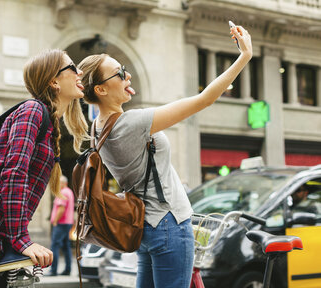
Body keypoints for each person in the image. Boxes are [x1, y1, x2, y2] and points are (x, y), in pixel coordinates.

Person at [78, 25, 252, 288]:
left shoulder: (97, 128)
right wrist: (244, 57)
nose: (128, 77)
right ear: (100, 90)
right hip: (169, 223)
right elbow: (204, 99)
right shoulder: (130, 123)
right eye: (120, 73)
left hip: (146, 227)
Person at [0, 49, 88, 288]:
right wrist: (21, 240)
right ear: (54, 81)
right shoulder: (32, 111)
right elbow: (15, 173)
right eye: (72, 67)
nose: (80, 72)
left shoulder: (47, 119)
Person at [47, 175, 75, 276]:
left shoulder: (62, 192)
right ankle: (68, 269)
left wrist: (55, 221)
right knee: (66, 247)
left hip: (61, 223)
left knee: (54, 245)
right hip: (67, 223)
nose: (57, 185)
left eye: (58, 183)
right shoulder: (69, 191)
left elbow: (61, 209)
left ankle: (53, 270)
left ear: (64, 183)